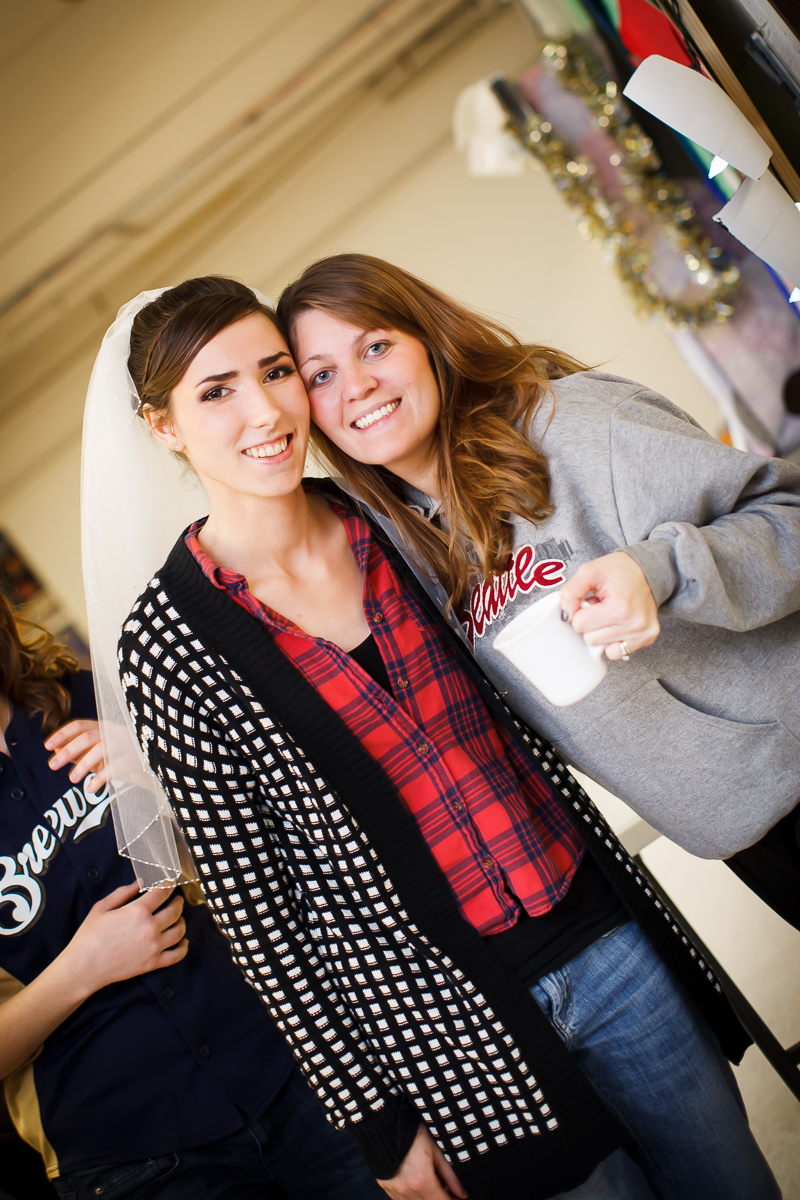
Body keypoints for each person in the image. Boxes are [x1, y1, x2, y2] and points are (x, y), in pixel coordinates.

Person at [93, 275, 781, 1200]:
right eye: (216, 392)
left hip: (606, 942)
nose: (263, 411)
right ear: (163, 426)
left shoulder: (387, 518)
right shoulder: (168, 643)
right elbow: (262, 918)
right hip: (450, 1033)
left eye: (276, 371)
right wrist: (377, 1123)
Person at [276, 252, 800, 930]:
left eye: (375, 346)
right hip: (740, 832)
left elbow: (790, 518)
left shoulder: (574, 425)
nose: (359, 385)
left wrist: (660, 571)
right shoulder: (400, 552)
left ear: (426, 339)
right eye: (322, 375)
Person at [0, 592, 382, 1199]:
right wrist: (82, 969)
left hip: (286, 1056)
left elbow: (257, 835)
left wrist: (157, 772)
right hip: (131, 1158)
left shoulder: (84, 694)